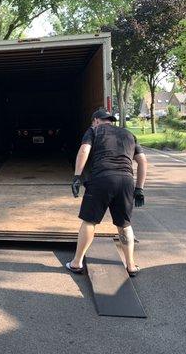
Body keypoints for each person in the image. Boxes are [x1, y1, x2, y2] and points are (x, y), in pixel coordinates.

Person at [67, 108, 147, 277]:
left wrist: (76, 177)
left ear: (96, 120)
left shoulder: (94, 130)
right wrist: (139, 188)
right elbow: (142, 162)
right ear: (110, 120)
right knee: (124, 224)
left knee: (89, 221)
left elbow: (84, 151)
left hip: (102, 178)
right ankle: (131, 265)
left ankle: (76, 263)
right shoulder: (128, 134)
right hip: (126, 180)